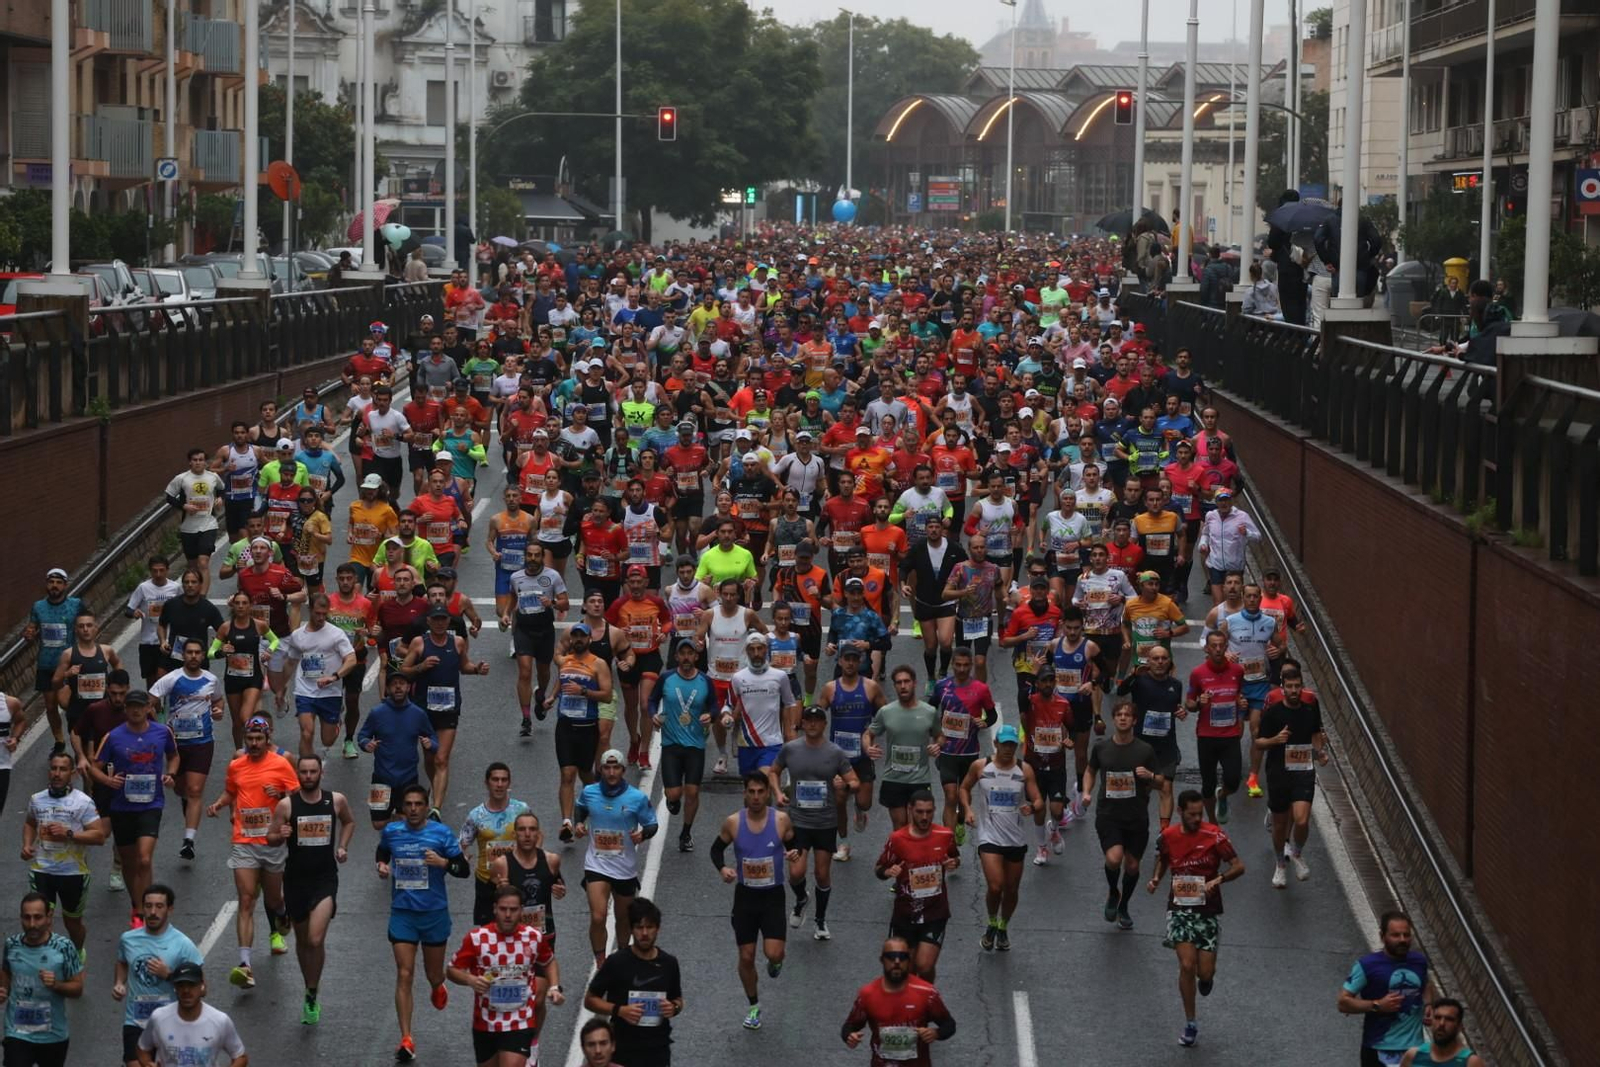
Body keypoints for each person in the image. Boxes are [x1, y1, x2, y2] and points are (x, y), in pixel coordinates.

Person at [377, 783, 471, 1062]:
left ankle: (436, 985)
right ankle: (406, 1038)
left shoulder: (441, 834)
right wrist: (381, 866)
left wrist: (443, 863)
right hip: (403, 913)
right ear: (403, 808)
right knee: (404, 973)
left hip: (433, 914)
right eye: (409, 804)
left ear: (427, 807)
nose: (414, 809)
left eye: (419, 804)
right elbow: (382, 852)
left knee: (433, 974)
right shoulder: (392, 832)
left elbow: (463, 870)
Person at [205, 715, 298, 990]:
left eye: (259, 739)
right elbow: (230, 792)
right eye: (250, 739)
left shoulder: (281, 764)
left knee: (272, 899)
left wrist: (280, 795)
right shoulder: (236, 766)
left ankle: (282, 912)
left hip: (272, 843)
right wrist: (219, 805)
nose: (254, 744)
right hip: (243, 840)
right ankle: (245, 964)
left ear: (268, 739)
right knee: (246, 900)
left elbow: (299, 799)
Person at [1147, 789, 1246, 1048]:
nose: (1196, 818)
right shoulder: (1168, 836)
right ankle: (1191, 1022)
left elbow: (1239, 866)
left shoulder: (1215, 835)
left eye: (1199, 814)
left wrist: (1219, 879)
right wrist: (1157, 878)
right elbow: (1162, 859)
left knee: (1204, 971)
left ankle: (1207, 979)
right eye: (1191, 814)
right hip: (1179, 907)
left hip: (1208, 909)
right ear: (1180, 812)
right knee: (1187, 965)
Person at [265, 753, 355, 1024]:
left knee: (316, 939)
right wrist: (279, 836)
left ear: (320, 774)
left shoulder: (335, 800)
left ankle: (313, 992)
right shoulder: (286, 805)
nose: (307, 776)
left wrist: (342, 846)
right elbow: (270, 837)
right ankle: (309, 988)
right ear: (298, 775)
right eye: (303, 772)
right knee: (303, 942)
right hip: (295, 880)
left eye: (312, 772)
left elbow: (349, 821)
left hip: (325, 879)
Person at [712, 772, 800, 1030]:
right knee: (746, 956)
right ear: (744, 794)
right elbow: (716, 849)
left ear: (768, 794)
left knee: (772, 953)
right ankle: (753, 1006)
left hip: (772, 897)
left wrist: (795, 853)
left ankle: (776, 961)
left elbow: (796, 844)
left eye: (761, 792)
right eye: (751, 792)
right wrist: (723, 869)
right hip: (745, 898)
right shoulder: (733, 823)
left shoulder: (781, 820)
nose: (756, 797)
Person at [87, 690, 177, 929]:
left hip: (151, 804)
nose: (136, 711)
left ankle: (146, 909)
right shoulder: (113, 736)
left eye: (141, 706)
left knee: (144, 859)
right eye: (132, 706)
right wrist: (107, 781)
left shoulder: (162, 732)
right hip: (122, 806)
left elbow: (173, 756)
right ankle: (136, 905)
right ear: (125, 709)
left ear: (149, 707)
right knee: (128, 861)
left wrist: (171, 774)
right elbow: (93, 767)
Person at [446, 883, 562, 1067]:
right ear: (494, 909)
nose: (508, 915)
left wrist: (554, 987)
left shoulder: (533, 937)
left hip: (520, 1020)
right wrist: (470, 979)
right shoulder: (477, 938)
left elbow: (549, 962)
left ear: (521, 910)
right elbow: (452, 970)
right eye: (503, 909)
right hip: (486, 1022)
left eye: (513, 910)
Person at [770, 705, 859, 939]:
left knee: (821, 874)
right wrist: (778, 793)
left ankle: (820, 921)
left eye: (817, 720)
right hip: (798, 821)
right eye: (808, 720)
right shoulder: (791, 749)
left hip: (824, 822)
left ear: (824, 725)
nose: (812, 724)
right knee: (796, 873)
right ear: (803, 723)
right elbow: (773, 771)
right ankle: (801, 898)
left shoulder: (835, 752)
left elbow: (855, 781)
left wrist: (846, 786)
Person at [957, 725, 1041, 951]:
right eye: (1004, 744)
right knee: (996, 887)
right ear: (995, 743)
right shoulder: (981, 766)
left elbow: (1038, 799)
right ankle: (992, 921)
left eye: (1012, 745)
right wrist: (967, 809)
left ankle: (1003, 927)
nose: (1007, 749)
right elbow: (963, 789)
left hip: (1015, 839)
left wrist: (1032, 807)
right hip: (989, 836)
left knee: (1012, 890)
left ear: (1016, 746)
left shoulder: (1025, 770)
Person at [1081, 702, 1164, 931]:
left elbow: (1161, 782)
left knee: (1133, 866)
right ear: (1114, 719)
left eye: (1128, 715)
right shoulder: (1101, 748)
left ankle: (1124, 905)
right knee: (1115, 858)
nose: (1123, 718)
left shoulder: (1145, 750)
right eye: (1119, 715)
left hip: (1136, 816)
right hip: (1109, 814)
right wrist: (1086, 792)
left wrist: (1150, 775)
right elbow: (1090, 770)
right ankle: (1112, 891)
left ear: (1134, 721)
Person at [574, 749, 658, 968]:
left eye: (616, 768)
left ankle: (622, 956)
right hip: (596, 864)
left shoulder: (636, 798)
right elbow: (580, 809)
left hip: (624, 868)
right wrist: (579, 824)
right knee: (599, 917)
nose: (611, 772)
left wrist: (643, 834)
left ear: (622, 770)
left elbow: (651, 823)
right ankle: (601, 961)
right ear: (600, 769)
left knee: (623, 918)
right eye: (607, 768)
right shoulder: (589, 792)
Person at [22, 752, 108, 953]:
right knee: (41, 920)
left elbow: (99, 836)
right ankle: (46, 959)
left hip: (73, 873)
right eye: (53, 768)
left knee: (72, 923)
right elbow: (29, 823)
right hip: (42, 869)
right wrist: (26, 845)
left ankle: (77, 953)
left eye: (62, 769)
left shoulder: (83, 802)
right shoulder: (37, 799)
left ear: (72, 773)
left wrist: (69, 834)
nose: (57, 774)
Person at [147, 639, 224, 860]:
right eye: (189, 652)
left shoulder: (211, 679)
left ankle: (188, 841)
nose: (193, 656)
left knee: (195, 790)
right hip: (176, 744)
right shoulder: (172, 679)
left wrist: (218, 712)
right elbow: (148, 702)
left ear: (202, 656)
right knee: (182, 790)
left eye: (197, 652)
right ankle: (185, 800)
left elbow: (219, 702)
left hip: (203, 742)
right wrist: (157, 728)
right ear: (183, 655)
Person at [584, 897, 683, 1067]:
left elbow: (678, 999)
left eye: (649, 927)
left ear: (657, 929)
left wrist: (673, 1008)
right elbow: (590, 1000)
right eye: (639, 927)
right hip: (623, 1049)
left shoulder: (669, 963)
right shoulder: (617, 962)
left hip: (657, 1049)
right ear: (631, 929)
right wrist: (619, 1010)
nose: (644, 933)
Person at [1256, 663, 1329, 887]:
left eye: (1297, 686)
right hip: (1279, 772)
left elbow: (1316, 733)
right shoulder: (1273, 713)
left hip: (1304, 770)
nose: (1294, 690)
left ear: (1301, 686)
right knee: (1279, 825)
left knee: (1302, 819)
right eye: (1290, 686)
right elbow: (1259, 742)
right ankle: (1280, 864)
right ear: (1283, 688)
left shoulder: (1309, 709)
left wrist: (1320, 752)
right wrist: (1274, 740)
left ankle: (1296, 852)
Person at [874, 791, 960, 982]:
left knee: (925, 965)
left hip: (935, 912)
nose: (924, 817)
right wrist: (888, 872)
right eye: (919, 811)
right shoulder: (897, 839)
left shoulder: (945, 835)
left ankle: (927, 997)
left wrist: (953, 863)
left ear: (934, 811)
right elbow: (879, 869)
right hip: (906, 913)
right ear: (910, 809)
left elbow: (954, 857)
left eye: (929, 812)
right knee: (908, 971)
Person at [113, 884, 202, 1067]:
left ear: (169, 909)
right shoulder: (128, 939)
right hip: (135, 1020)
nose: (153, 912)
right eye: (148, 906)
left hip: (171, 1023)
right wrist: (119, 983)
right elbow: (122, 962)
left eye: (159, 906)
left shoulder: (183, 944)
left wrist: (168, 974)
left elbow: (202, 988)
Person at [840, 935, 956, 1067]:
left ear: (909, 961)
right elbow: (850, 1026)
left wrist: (936, 1033)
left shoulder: (927, 992)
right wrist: (849, 1036)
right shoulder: (868, 994)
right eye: (891, 956)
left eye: (902, 957)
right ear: (882, 960)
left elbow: (949, 1024)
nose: (896, 961)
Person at [1339, 911, 1435, 1067]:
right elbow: (1343, 1002)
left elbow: (1425, 984)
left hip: (1414, 1050)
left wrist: (1428, 1005)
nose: (1402, 940)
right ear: (1382, 936)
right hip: (1379, 1050)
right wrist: (1377, 1005)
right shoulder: (1367, 965)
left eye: (1406, 935)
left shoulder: (1419, 961)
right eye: (1396, 935)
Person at [0, 891, 84, 1067]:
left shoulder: (63, 947)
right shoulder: (11, 945)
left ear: (49, 917)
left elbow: (77, 988)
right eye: (27, 918)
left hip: (53, 1035)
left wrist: (56, 985)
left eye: (38, 918)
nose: (32, 924)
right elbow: (6, 972)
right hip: (17, 1033)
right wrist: (3, 990)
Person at [649, 641, 715, 852]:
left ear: (696, 657)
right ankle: (672, 799)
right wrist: (653, 716)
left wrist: (710, 715)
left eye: (690, 654)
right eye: (682, 654)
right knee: (674, 793)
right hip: (671, 743)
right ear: (677, 657)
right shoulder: (666, 678)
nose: (686, 657)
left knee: (693, 792)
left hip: (696, 744)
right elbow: (652, 700)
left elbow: (715, 705)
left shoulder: (705, 680)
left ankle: (686, 833)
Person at [357, 673, 438, 830]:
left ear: (408, 688)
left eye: (402, 683)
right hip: (382, 777)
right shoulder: (377, 713)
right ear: (387, 689)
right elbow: (362, 736)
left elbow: (433, 738)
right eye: (394, 684)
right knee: (378, 824)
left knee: (408, 820)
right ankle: (395, 823)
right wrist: (366, 744)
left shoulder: (418, 714)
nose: (398, 687)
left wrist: (430, 744)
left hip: (408, 778)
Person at [135, 962, 247, 1067]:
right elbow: (142, 1049)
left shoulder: (220, 1021)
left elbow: (240, 1057)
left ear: (201, 986)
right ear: (175, 987)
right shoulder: (159, 1018)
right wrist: (147, 1064)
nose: (186, 990)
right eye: (181, 985)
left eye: (191, 985)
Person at [458, 764, 529, 926]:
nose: (499, 784)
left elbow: (536, 836)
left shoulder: (521, 810)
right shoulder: (476, 815)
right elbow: (461, 844)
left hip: (516, 878)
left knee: (521, 931)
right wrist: (461, 857)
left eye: (504, 780)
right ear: (487, 783)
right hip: (487, 881)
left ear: (509, 783)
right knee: (488, 936)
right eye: (495, 780)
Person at [722, 633, 800, 775]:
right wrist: (726, 716)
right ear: (747, 651)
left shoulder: (780, 676)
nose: (756, 653)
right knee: (752, 791)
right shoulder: (738, 678)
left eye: (760, 648)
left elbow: (790, 704)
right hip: (746, 744)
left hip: (772, 743)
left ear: (766, 649)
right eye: (752, 649)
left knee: (765, 780)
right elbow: (728, 705)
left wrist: (790, 730)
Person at [25, 569, 83, 756]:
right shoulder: (38, 607)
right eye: (51, 582)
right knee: (50, 706)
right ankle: (59, 741)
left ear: (65, 585)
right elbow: (32, 628)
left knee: (65, 703)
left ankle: (77, 732)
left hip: (67, 663)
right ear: (47, 585)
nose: (55, 586)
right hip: (46, 664)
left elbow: (87, 624)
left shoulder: (75, 605)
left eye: (59, 582)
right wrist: (28, 634)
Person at [164, 448, 225, 597]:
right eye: (195, 460)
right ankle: (193, 593)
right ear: (190, 462)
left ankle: (203, 597)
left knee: (203, 563)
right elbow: (169, 497)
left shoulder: (213, 477)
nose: (198, 463)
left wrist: (220, 499)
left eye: (201, 460)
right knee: (192, 565)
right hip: (188, 527)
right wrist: (183, 506)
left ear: (205, 462)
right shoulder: (182, 478)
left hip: (208, 524)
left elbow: (222, 490)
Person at [1399, 999, 1484, 1067]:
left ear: (1459, 1026)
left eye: (1449, 1019)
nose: (1442, 1023)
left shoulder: (1471, 1062)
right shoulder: (1413, 1055)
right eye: (1437, 1017)